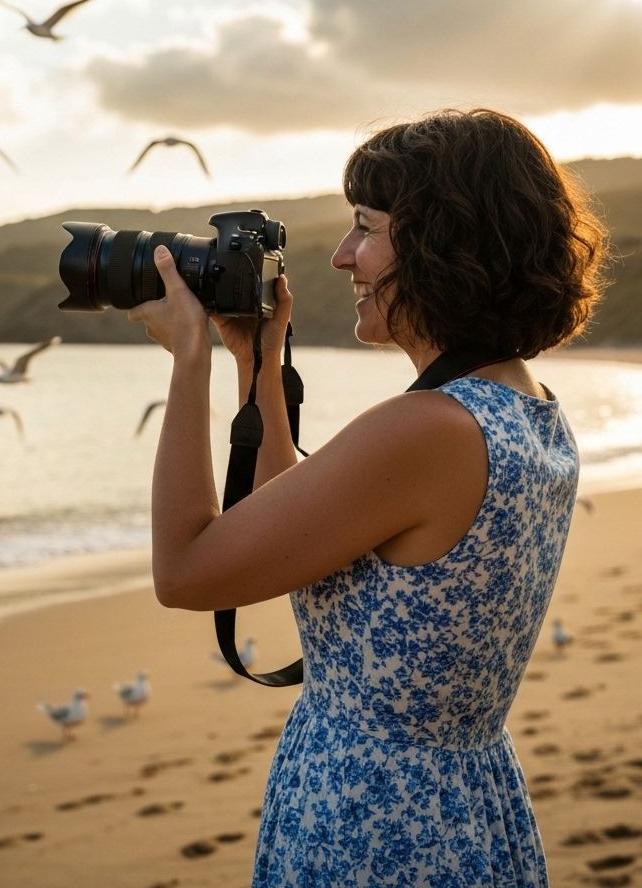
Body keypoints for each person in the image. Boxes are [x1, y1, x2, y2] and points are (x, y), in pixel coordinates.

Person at [127, 109, 608, 887]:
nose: (341, 256)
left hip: (374, 828)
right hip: (461, 804)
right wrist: (258, 359)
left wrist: (188, 360)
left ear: (440, 244)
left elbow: (185, 572)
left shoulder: (427, 431)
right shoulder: (523, 408)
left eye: (365, 228)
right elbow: (298, 531)